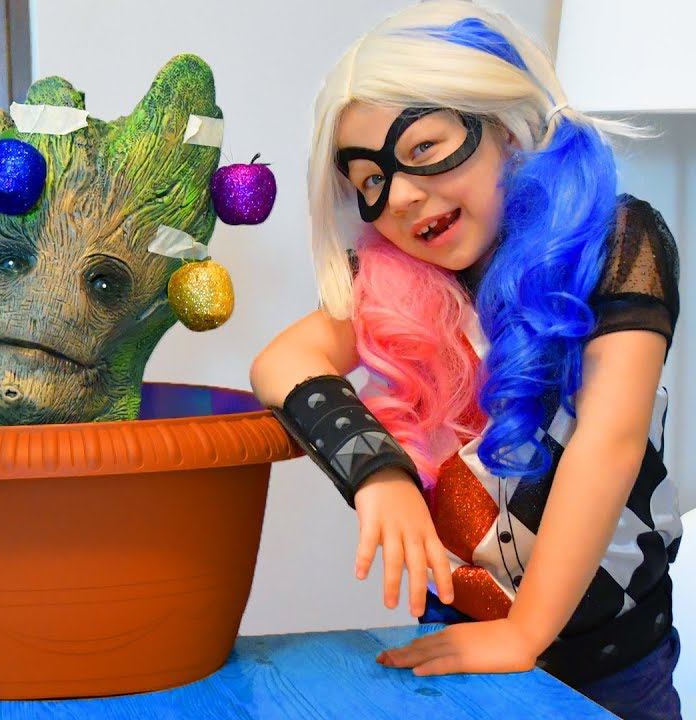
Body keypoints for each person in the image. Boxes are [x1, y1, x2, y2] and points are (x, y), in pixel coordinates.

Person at [249, 2, 681, 716]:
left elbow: (610, 439)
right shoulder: (395, 281)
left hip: (613, 664)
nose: (401, 195)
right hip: (461, 639)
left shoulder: (614, 241)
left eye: (423, 148)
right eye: (371, 181)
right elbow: (282, 360)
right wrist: (377, 472)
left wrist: (526, 633)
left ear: (502, 126)